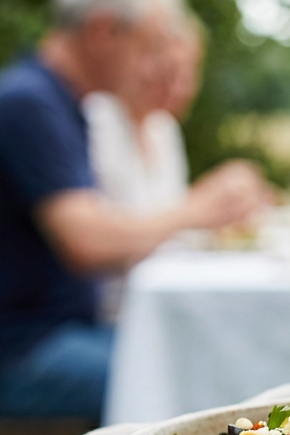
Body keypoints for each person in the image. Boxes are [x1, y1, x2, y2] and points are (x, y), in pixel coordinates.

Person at [0, 0, 272, 421]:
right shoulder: (29, 104)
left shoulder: (57, 102)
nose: (148, 68)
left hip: (59, 336)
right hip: (11, 358)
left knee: (206, 361)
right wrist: (195, 209)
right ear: (103, 33)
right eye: (148, 48)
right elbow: (85, 240)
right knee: (193, 378)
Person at [84, 16, 204, 320]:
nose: (180, 87)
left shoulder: (164, 130)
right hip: (109, 311)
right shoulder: (93, 118)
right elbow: (93, 240)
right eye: (168, 71)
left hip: (165, 301)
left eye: (188, 73)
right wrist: (198, 209)